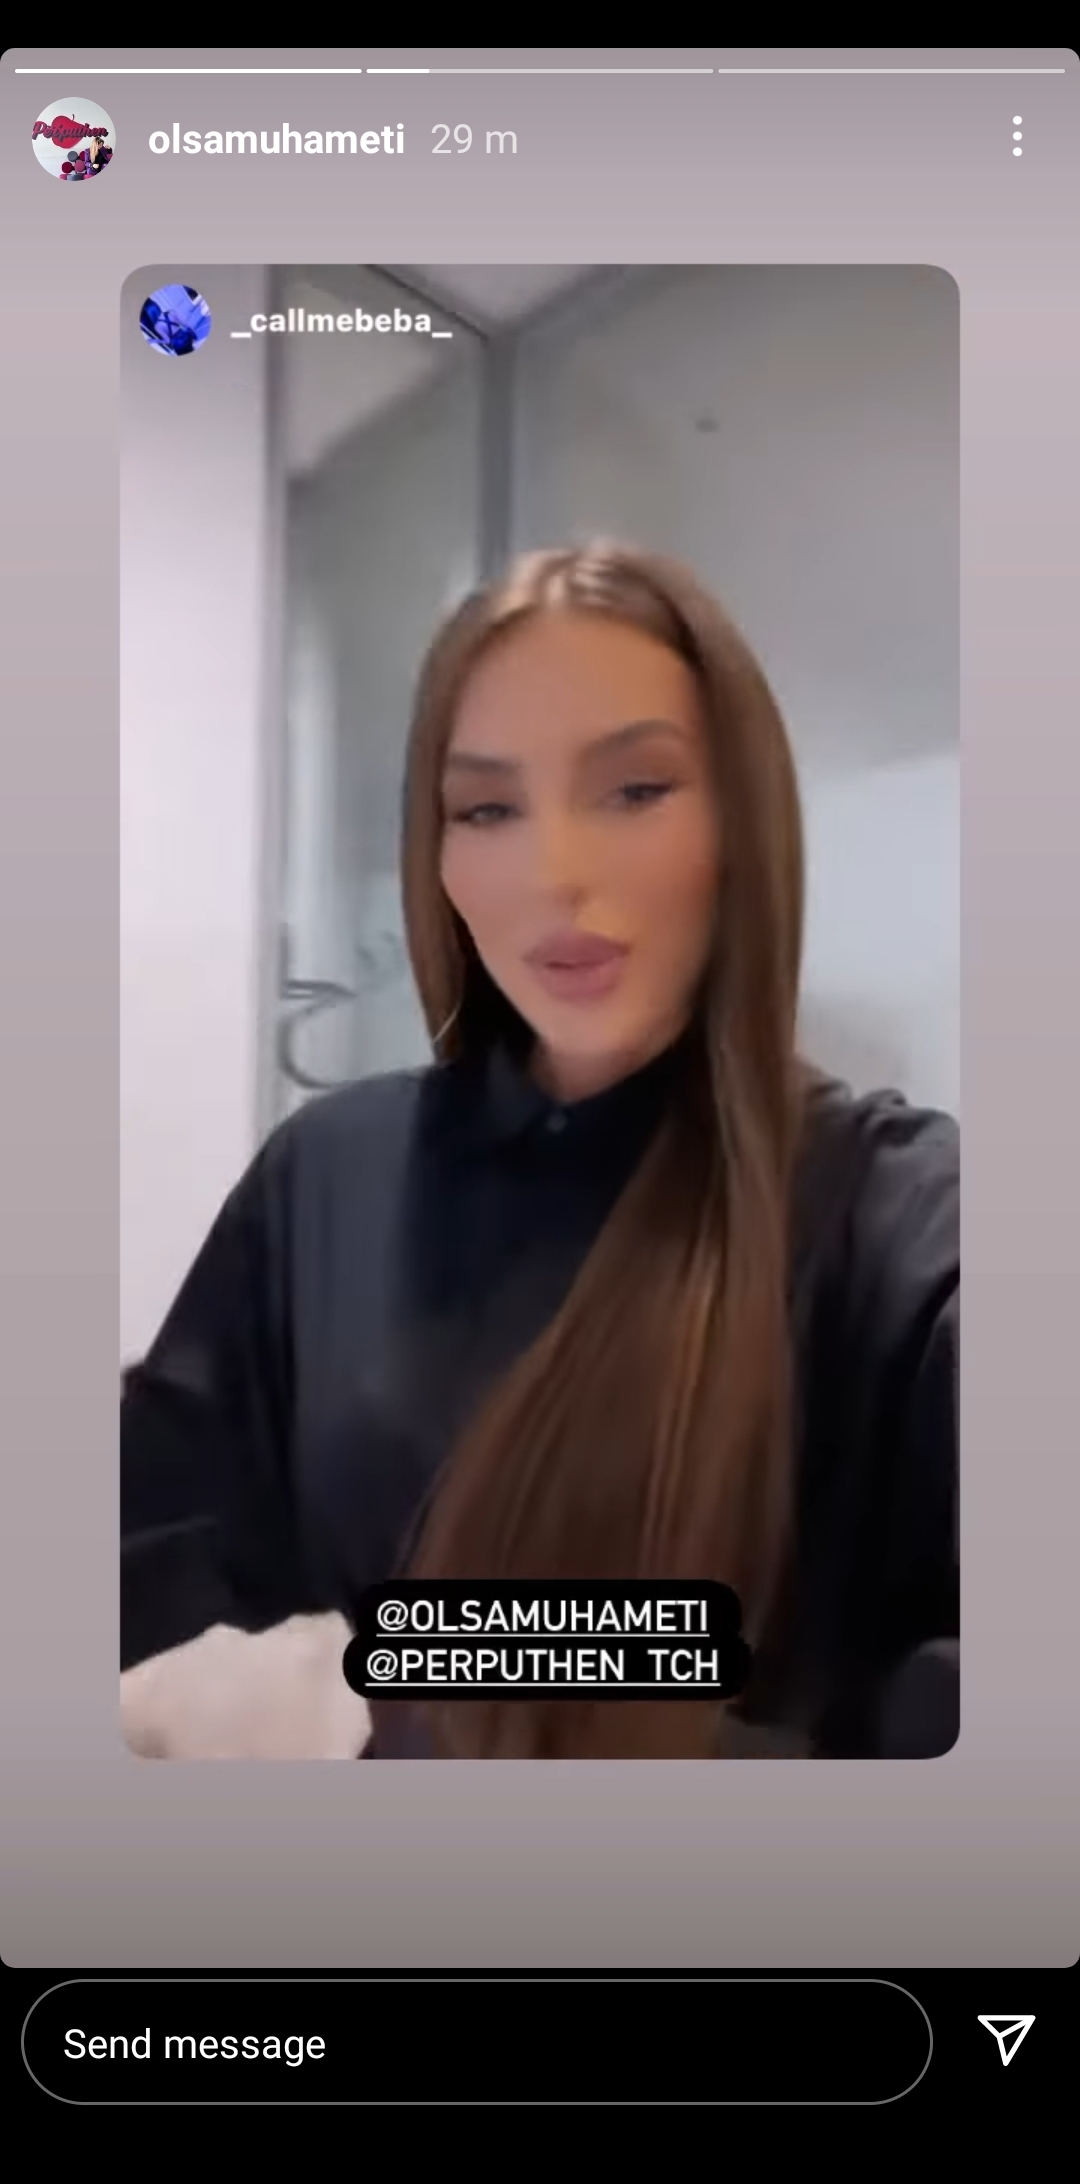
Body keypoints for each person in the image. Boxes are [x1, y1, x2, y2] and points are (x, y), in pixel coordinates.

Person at [121, 542, 958, 1760]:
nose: (554, 872)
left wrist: (399, 1674)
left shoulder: (899, 1221)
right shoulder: (330, 1179)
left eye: (635, 790)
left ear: (742, 821)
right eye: (487, 810)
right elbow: (151, 1538)